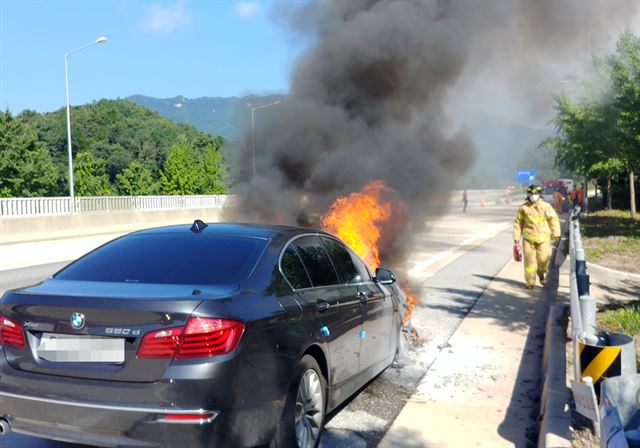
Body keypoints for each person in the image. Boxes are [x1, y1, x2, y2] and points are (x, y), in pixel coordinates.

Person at [513, 184, 561, 289]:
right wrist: (516, 239)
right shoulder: (523, 208)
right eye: (531, 194)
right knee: (529, 262)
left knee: (543, 260)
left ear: (539, 194)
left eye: (535, 194)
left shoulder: (546, 207)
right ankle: (530, 282)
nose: (533, 196)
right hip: (528, 240)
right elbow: (517, 223)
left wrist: (556, 234)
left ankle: (541, 274)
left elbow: (553, 220)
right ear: (527, 195)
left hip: (543, 240)